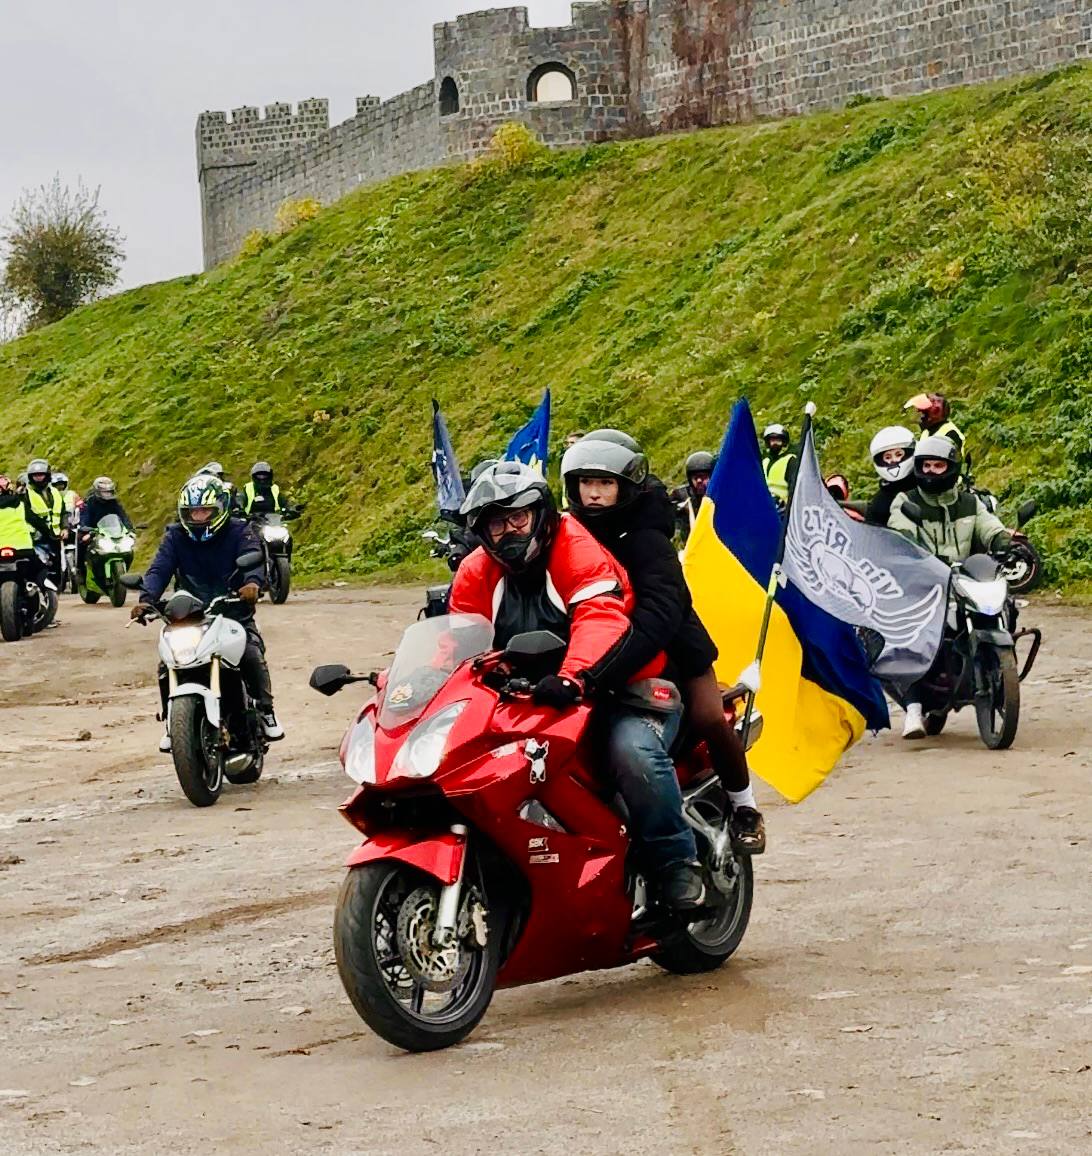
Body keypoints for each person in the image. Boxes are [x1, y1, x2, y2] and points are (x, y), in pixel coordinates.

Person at [451, 460, 707, 910]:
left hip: (624, 686)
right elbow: (457, 641)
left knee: (633, 753)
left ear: (539, 513)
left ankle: (676, 864)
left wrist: (573, 676)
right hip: (536, 696)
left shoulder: (574, 547)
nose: (509, 532)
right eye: (496, 523)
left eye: (518, 518)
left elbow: (600, 619)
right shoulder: (477, 571)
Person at [563, 431, 765, 852]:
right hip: (604, 649)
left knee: (710, 716)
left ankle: (745, 806)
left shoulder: (648, 539)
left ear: (627, 486)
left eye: (605, 484)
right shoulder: (570, 535)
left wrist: (600, 670)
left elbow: (660, 616)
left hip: (675, 650)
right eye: (587, 484)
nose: (595, 494)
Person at [131, 476, 283, 752]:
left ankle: (267, 709)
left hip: (232, 610)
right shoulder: (175, 536)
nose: (199, 517)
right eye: (193, 512)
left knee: (250, 653)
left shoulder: (240, 531)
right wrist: (146, 599)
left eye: (205, 511)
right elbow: (159, 569)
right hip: (190, 613)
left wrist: (252, 584)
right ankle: (172, 723)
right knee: (168, 663)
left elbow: (253, 558)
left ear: (220, 509)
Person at [887, 436, 1012, 739]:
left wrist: (1004, 541)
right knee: (914, 635)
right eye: (926, 465)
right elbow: (900, 533)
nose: (931, 471)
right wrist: (917, 553)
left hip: (964, 578)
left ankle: (997, 669)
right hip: (924, 582)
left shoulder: (969, 502)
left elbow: (988, 525)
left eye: (938, 465)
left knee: (1006, 604)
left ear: (951, 468)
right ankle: (914, 708)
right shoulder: (906, 502)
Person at [78, 477, 135, 580]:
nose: (107, 494)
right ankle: (81, 571)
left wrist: (130, 529)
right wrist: (85, 528)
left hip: (112, 532)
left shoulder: (115, 503)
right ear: (97, 491)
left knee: (128, 549)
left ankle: (123, 571)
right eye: (104, 492)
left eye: (109, 492)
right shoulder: (89, 503)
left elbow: (123, 517)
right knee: (82, 543)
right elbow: (84, 518)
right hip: (93, 531)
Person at [24, 458, 66, 590]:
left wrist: (65, 528)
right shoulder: (26, 494)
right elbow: (28, 515)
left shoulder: (55, 492)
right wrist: (44, 529)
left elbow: (63, 512)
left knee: (57, 569)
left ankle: (54, 591)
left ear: (47, 476)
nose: (39, 478)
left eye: (41, 475)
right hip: (34, 537)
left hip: (54, 536)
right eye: (35, 476)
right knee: (34, 565)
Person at [864, 425, 917, 526]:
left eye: (898, 454)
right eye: (887, 457)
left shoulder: (926, 487)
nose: (893, 460)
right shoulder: (880, 502)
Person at [669, 451, 715, 544]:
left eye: (703, 477)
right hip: (692, 546)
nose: (699, 481)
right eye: (695, 477)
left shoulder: (720, 494)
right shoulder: (681, 495)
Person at [760, 424, 798, 508]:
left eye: (777, 440)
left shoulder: (790, 460)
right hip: (765, 506)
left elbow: (795, 486)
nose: (774, 443)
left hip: (784, 509)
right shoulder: (764, 462)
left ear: (784, 442)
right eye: (772, 440)